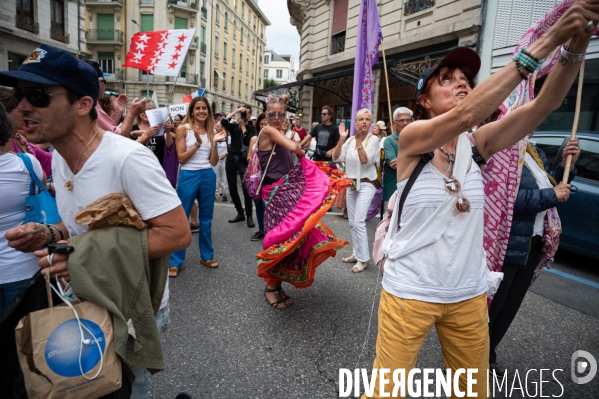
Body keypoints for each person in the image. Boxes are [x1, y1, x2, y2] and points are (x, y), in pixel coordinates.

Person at [363, 3, 598, 395]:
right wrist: (548, 41)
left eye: (466, 79)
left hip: (468, 295)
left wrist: (576, 45)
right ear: (424, 101)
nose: (461, 83)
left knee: (473, 391)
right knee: (389, 390)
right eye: (446, 79)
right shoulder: (411, 139)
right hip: (410, 293)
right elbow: (463, 116)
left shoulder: (478, 145)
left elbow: (545, 105)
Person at [1, 44, 191, 399]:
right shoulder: (60, 157)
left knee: (124, 390)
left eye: (38, 96)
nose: (22, 107)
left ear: (84, 105)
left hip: (129, 303)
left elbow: (177, 234)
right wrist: (47, 232)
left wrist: (80, 255)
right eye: (19, 96)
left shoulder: (128, 159)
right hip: (86, 297)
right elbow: (78, 228)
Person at [488, 134, 580, 371]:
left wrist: (567, 164)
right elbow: (505, 200)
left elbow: (550, 185)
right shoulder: (499, 151)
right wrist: (552, 195)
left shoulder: (533, 152)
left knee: (510, 305)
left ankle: (488, 354)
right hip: (505, 243)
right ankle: (467, 360)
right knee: (491, 305)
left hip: (533, 239)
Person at [256, 94, 349, 309]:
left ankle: (277, 285)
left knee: (292, 238)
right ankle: (270, 287)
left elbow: (296, 151)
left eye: (281, 114)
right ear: (266, 115)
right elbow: (296, 149)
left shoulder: (280, 133)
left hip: (286, 193)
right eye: (273, 114)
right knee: (278, 240)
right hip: (275, 195)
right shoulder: (268, 131)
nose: (277, 118)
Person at [169, 96, 226, 277]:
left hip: (207, 175)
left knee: (206, 219)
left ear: (208, 111)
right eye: (198, 108)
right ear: (192, 111)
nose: (201, 111)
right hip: (188, 174)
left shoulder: (211, 130)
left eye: (204, 108)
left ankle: (206, 256)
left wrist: (215, 144)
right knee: (181, 217)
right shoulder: (182, 129)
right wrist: (197, 144)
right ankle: (175, 261)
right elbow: (181, 158)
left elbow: (213, 161)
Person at [0, 102, 47, 310]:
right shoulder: (27, 164)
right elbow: (43, 188)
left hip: (22, 270)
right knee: (25, 338)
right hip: (23, 267)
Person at [332, 109, 380, 272]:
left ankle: (363, 259)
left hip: (367, 184)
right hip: (352, 184)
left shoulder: (373, 140)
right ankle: (356, 253)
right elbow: (336, 157)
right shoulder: (350, 139)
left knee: (359, 221)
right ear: (356, 123)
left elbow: (365, 160)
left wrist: (360, 141)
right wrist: (342, 139)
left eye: (367, 119)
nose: (365, 122)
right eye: (361, 119)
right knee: (352, 222)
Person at [0, 86, 53, 178]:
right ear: (6, 114)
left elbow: (47, 158)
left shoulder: (18, 138)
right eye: (20, 110)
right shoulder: (4, 147)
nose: (28, 113)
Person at [85, 60, 145, 138]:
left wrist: (117, 112)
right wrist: (132, 114)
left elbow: (107, 131)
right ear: (97, 83)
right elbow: (117, 137)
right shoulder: (91, 104)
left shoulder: (88, 102)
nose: (105, 85)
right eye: (104, 80)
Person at [221, 104, 256, 227]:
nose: (243, 115)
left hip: (242, 160)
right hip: (231, 159)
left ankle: (249, 216)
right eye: (242, 112)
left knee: (246, 188)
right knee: (232, 188)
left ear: (250, 115)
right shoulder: (234, 126)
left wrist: (242, 125)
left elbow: (248, 140)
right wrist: (236, 111)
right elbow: (224, 121)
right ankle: (240, 213)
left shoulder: (251, 128)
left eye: (245, 113)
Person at [383, 107, 413, 204]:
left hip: (412, 187)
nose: (405, 123)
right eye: (401, 120)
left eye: (408, 120)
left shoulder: (416, 139)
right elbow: (393, 164)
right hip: (393, 187)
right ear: (394, 123)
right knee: (390, 218)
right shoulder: (389, 140)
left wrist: (401, 161)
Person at [247, 113, 268, 241]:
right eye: (261, 124)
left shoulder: (274, 138)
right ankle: (261, 229)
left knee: (267, 204)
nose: (264, 127)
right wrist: (255, 157)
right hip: (256, 176)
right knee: (258, 204)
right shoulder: (254, 139)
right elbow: (248, 156)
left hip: (270, 175)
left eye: (266, 124)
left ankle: (270, 230)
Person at [214, 120, 229, 202]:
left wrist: (226, 154)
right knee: (215, 177)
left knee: (224, 177)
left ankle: (224, 193)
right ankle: (215, 193)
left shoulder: (227, 137)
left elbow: (230, 148)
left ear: (222, 128)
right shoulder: (213, 136)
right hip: (215, 160)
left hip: (224, 160)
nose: (216, 128)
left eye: (218, 127)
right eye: (216, 126)